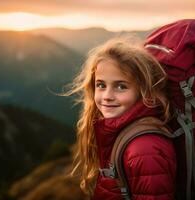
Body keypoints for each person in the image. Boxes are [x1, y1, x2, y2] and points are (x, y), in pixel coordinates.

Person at [65, 37, 176, 199]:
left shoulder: (144, 149)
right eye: (101, 85)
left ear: (143, 90)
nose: (107, 96)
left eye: (121, 86)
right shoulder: (121, 131)